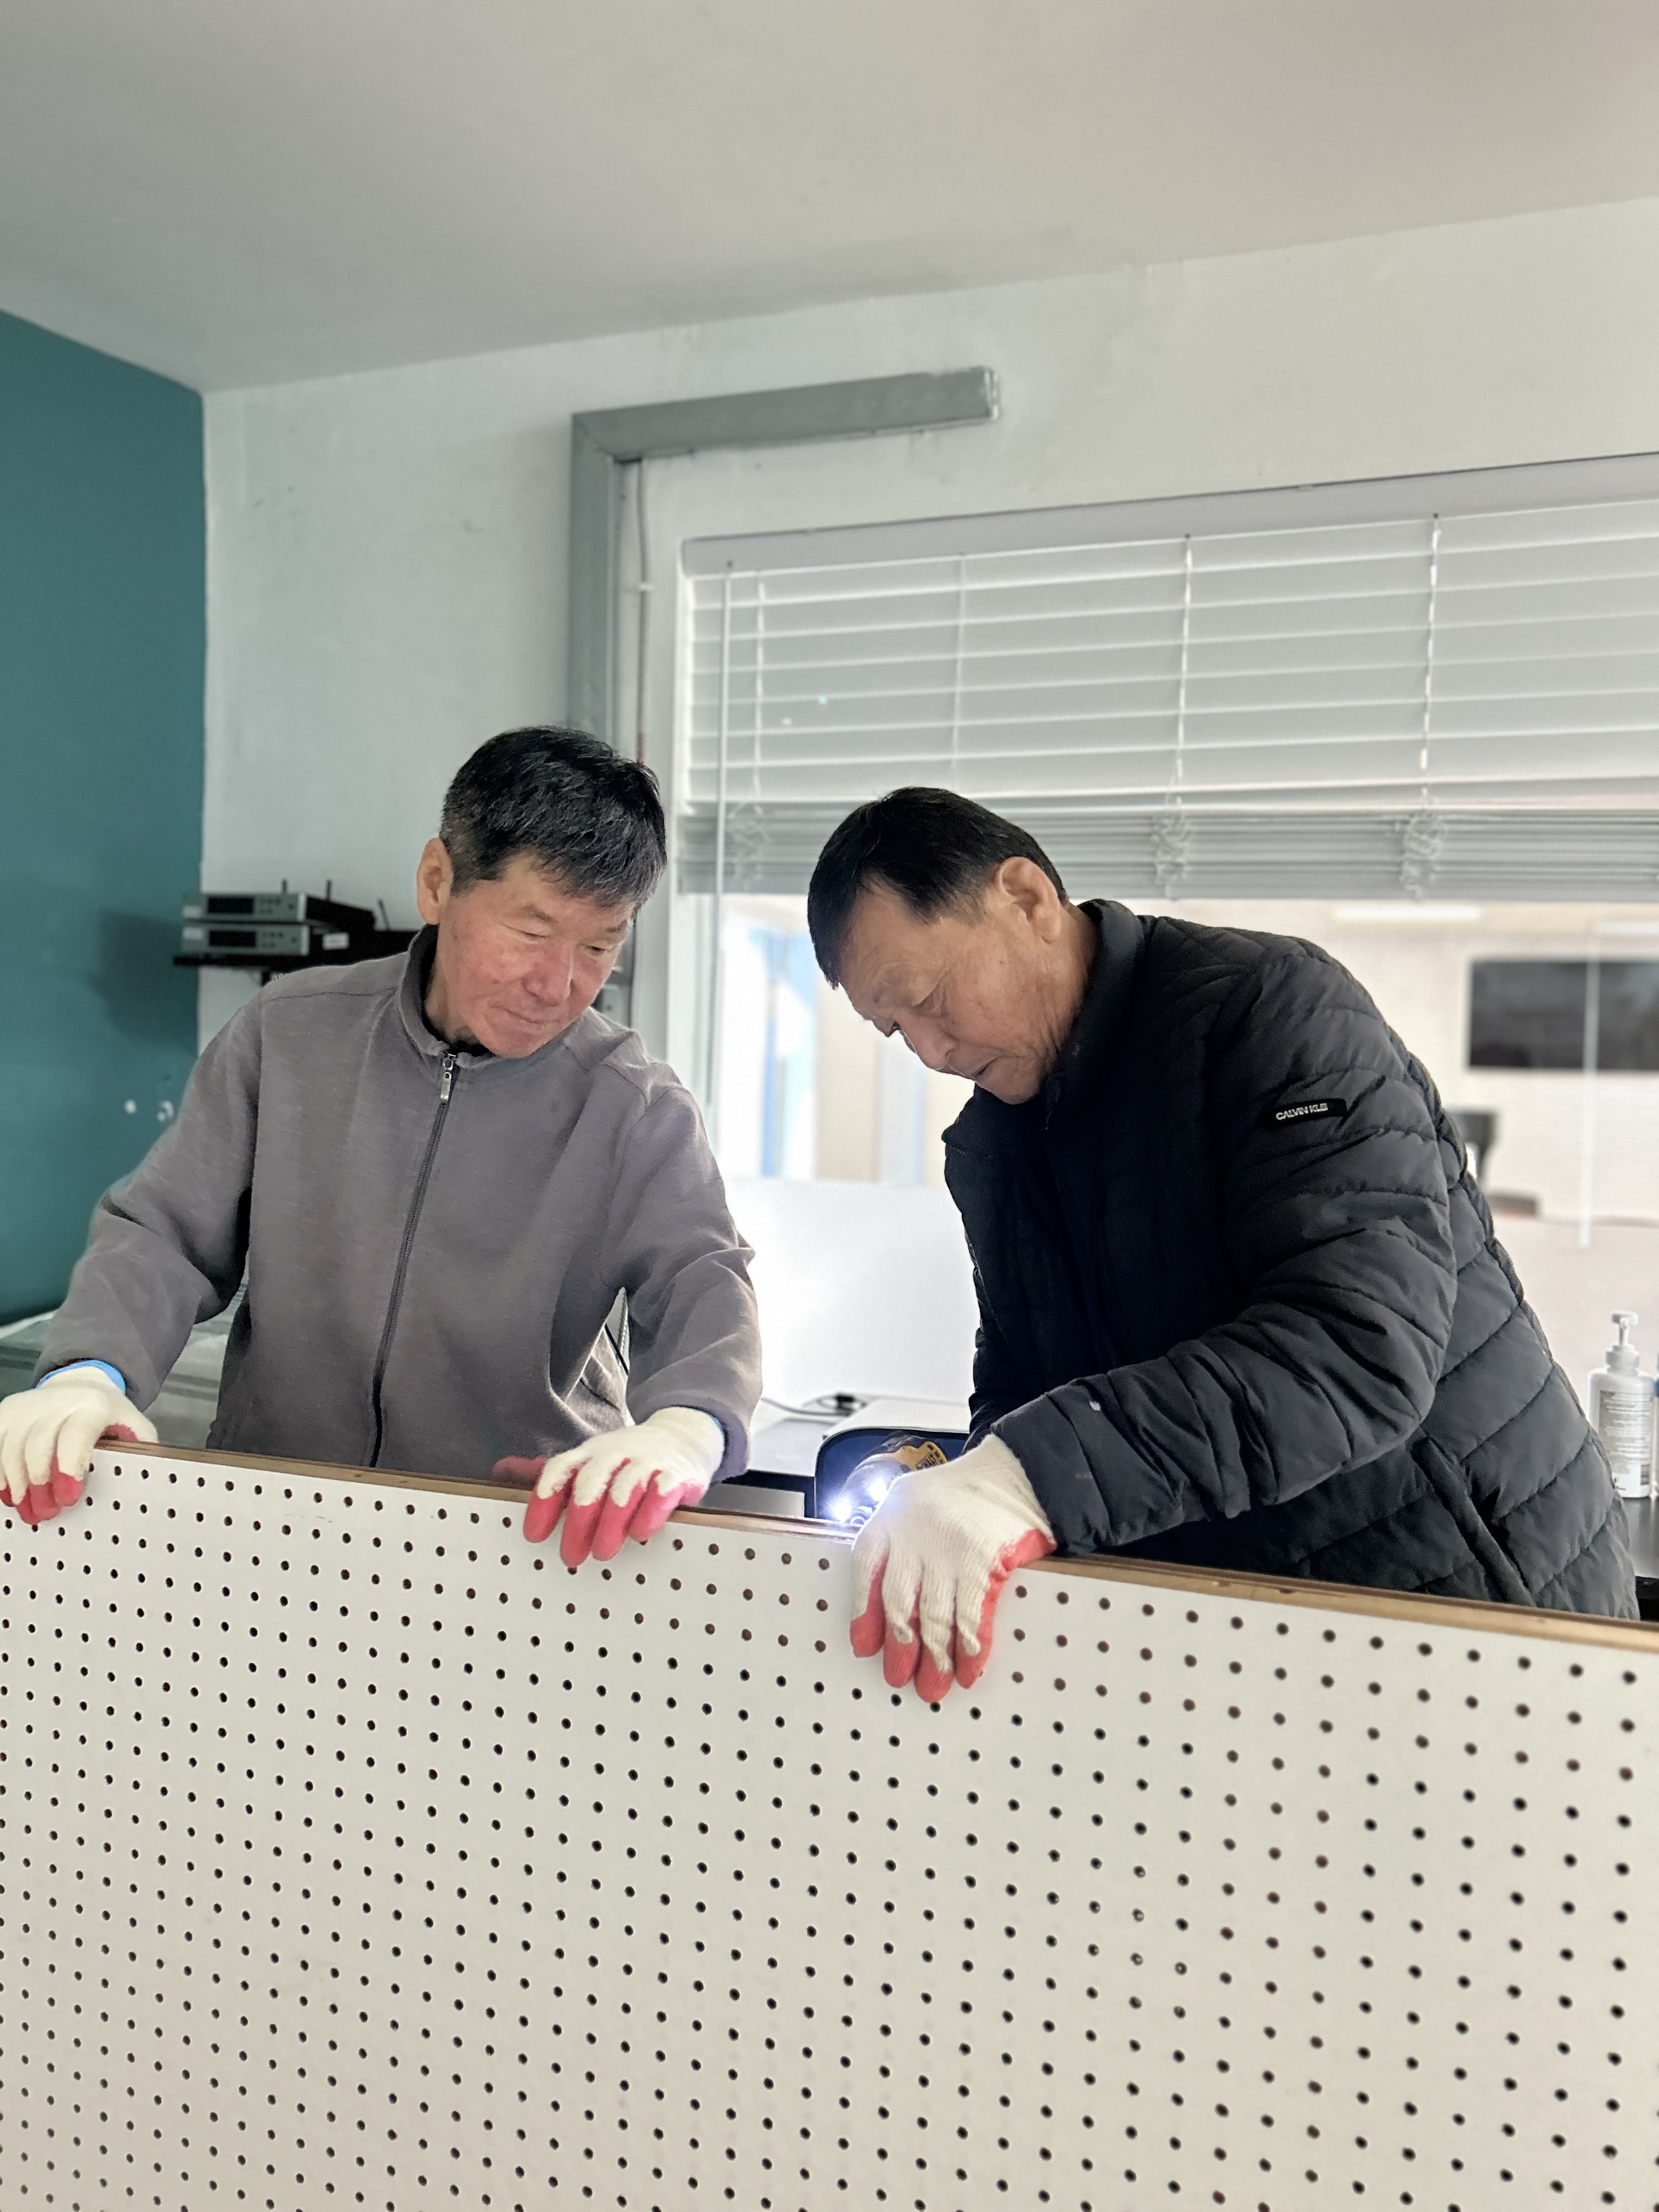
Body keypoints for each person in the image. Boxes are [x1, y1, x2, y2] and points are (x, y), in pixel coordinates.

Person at [806, 788, 1637, 1702]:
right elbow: (1022, 1384)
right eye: (896, 1030)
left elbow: (1355, 1352)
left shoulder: (1273, 1012)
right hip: (1249, 1635)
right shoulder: (999, 1146)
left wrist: (1024, 1477)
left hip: (1473, 1600)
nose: (930, 1051)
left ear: (1027, 898)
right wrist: (965, 1484)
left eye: (930, 1000)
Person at [0, 727, 760, 1564]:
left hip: (518, 1541)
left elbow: (704, 1279)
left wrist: (686, 1430)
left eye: (600, 945)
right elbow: (163, 1235)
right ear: (438, 881)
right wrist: (87, 1374)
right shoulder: (286, 1034)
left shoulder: (635, 1105)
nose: (558, 985)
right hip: (277, 1519)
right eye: (531, 931)